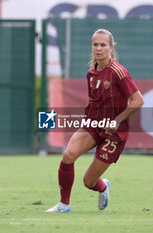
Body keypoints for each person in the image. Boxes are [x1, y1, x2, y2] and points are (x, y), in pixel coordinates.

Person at [46, 28, 144, 213]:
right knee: (68, 156)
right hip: (93, 126)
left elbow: (138, 100)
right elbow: (94, 101)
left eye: (103, 45)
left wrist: (116, 120)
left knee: (88, 181)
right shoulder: (91, 73)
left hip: (114, 133)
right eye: (95, 44)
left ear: (111, 47)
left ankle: (103, 187)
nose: (99, 48)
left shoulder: (119, 72)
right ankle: (64, 205)